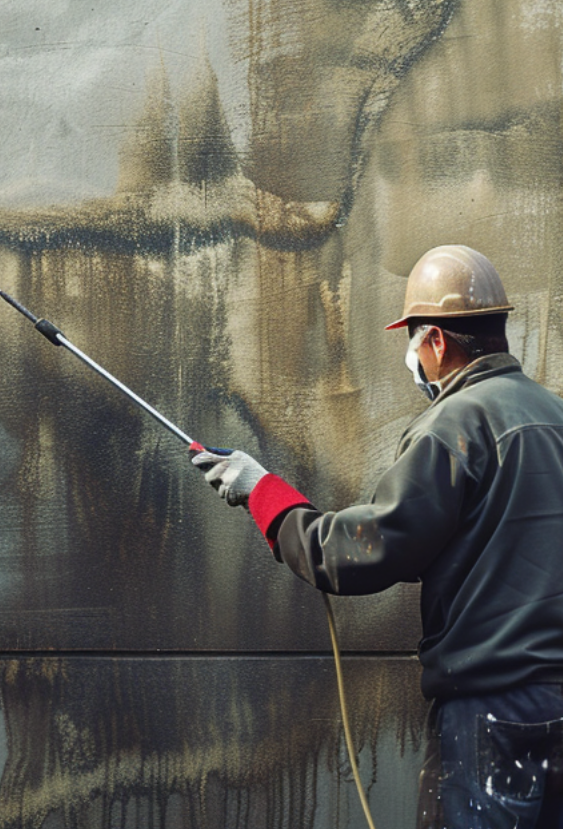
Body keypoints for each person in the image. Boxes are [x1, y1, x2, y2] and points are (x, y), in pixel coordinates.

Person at [197, 243, 563, 828]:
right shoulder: (554, 416)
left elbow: (364, 553)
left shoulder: (455, 425)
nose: (412, 356)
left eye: (412, 340)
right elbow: (484, 541)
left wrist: (261, 491)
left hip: (491, 713)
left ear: (437, 341)